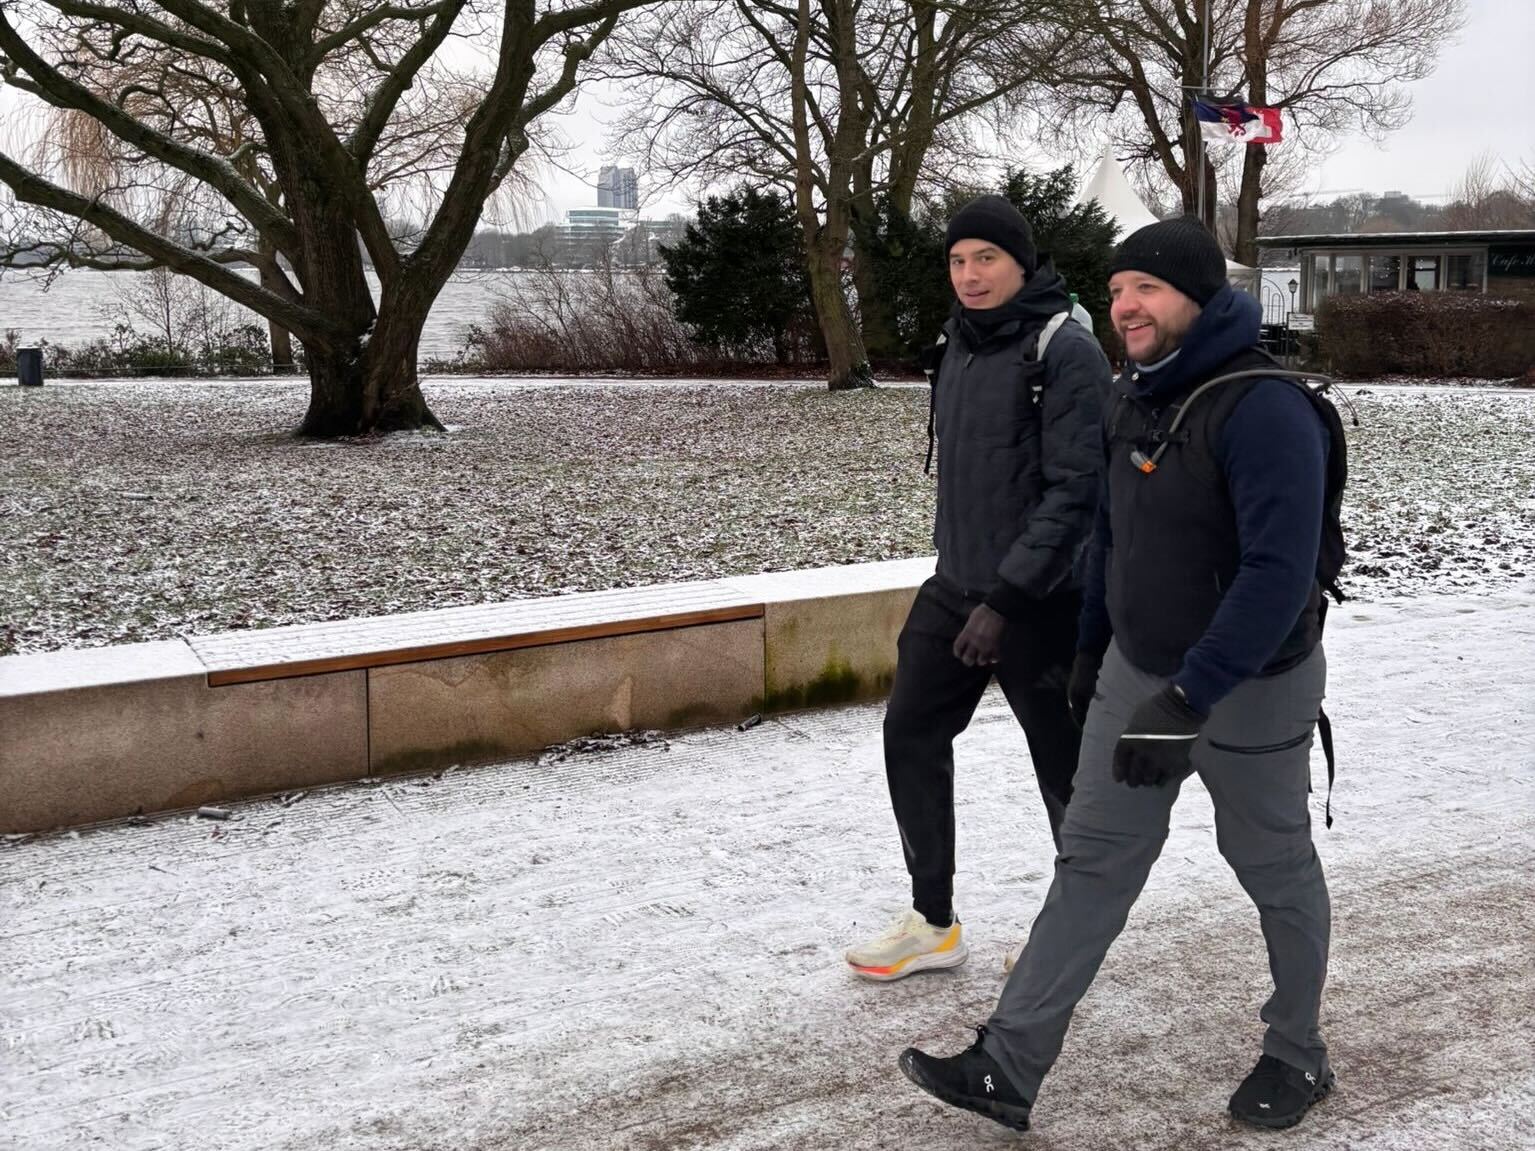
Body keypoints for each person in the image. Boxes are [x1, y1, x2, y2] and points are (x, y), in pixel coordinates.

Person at [898, 216, 1337, 1132]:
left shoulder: (1264, 409)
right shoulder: (1132, 393)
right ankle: (1007, 1064)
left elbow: (1275, 578)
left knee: (1271, 864)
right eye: (1115, 289)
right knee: (1091, 860)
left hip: (1250, 686)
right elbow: (1110, 537)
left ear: (1198, 295)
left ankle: (1297, 1050)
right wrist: (1094, 652)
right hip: (1136, 671)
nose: (1124, 305)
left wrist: (1187, 698)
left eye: (1146, 288)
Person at [845, 195, 1112, 982]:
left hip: (1043, 599)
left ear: (1021, 263)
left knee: (1063, 771)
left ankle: (1074, 932)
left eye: (985, 258)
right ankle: (932, 921)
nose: (969, 274)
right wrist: (967, 586)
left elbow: (1077, 492)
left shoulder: (1065, 351)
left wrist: (1007, 599)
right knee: (910, 732)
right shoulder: (958, 344)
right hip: (956, 583)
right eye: (958, 260)